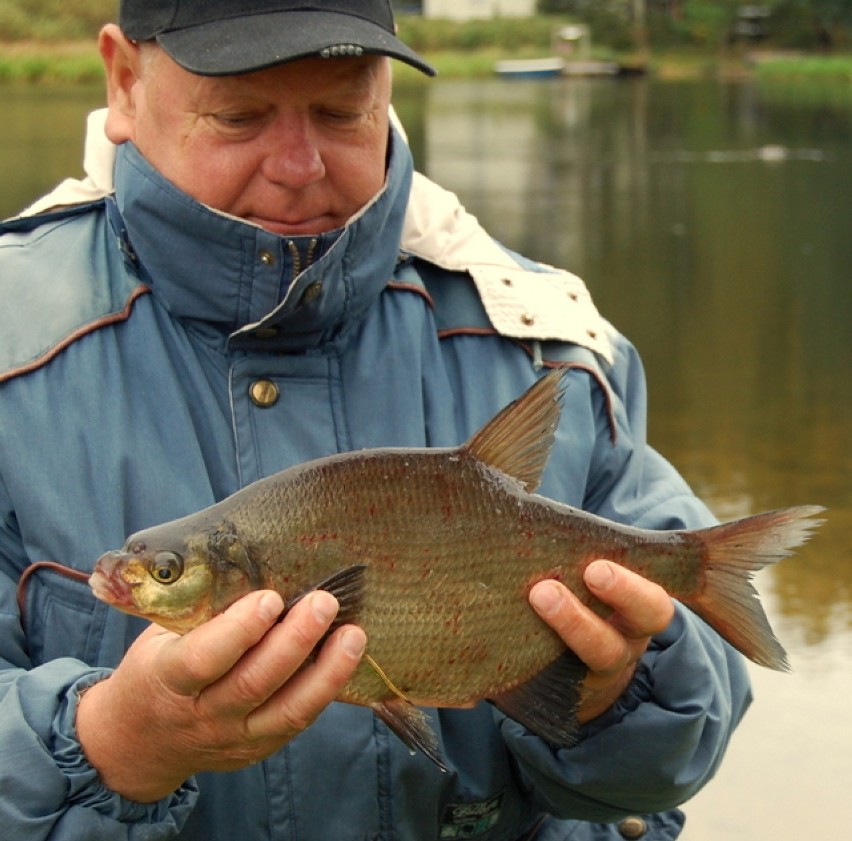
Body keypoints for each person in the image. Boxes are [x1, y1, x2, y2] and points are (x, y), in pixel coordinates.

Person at [0, 2, 751, 839]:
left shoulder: (548, 340)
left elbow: (677, 757)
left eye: (344, 111)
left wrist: (614, 693)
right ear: (125, 81)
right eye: (239, 116)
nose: (297, 164)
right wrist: (113, 744)